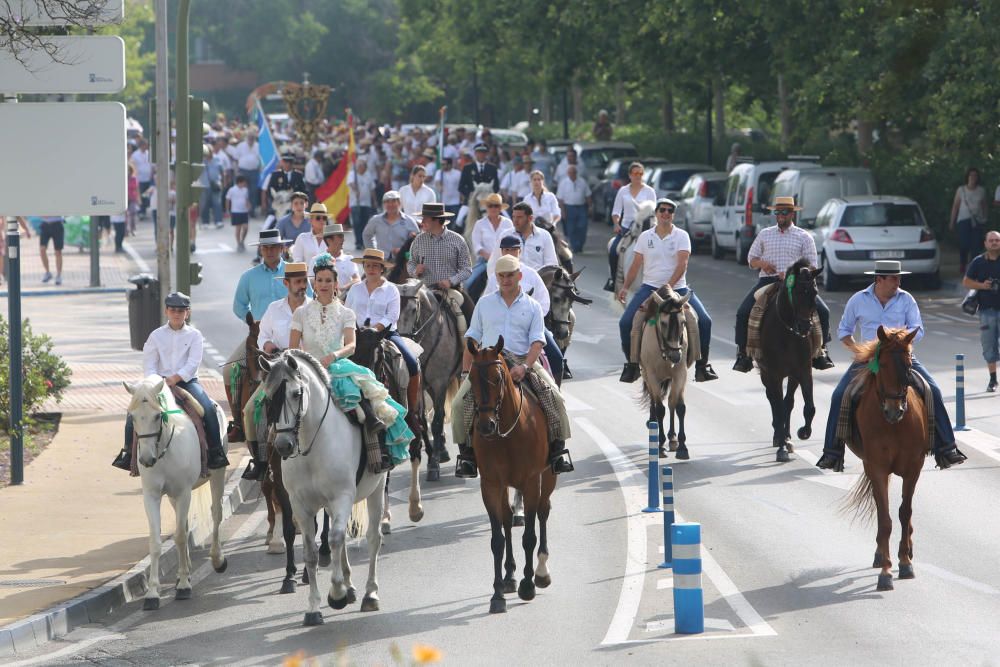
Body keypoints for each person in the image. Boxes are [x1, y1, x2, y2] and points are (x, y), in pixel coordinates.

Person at [815, 261, 967, 472]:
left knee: (933, 390)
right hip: (868, 360)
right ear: (879, 279)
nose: (898, 282)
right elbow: (844, 332)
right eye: (893, 278)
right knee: (840, 394)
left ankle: (946, 448)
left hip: (901, 357)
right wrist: (860, 352)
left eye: (899, 278)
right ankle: (832, 452)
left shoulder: (907, 299)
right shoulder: (858, 299)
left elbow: (918, 330)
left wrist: (902, 341)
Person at [451, 254, 574, 478]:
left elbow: (537, 341)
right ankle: (467, 456)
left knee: (556, 398)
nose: (506, 280)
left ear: (519, 276)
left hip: (522, 360)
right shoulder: (484, 303)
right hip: (488, 362)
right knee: (459, 405)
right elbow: (472, 338)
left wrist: (525, 367)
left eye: (510, 276)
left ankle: (558, 452)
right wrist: (466, 372)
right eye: (502, 276)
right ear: (496, 277)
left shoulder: (533, 306)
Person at [291, 253, 412, 472]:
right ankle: (267, 457)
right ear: (313, 283)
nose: (324, 284)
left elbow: (351, 345)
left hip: (339, 365)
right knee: (280, 402)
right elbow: (292, 348)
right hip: (308, 368)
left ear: (336, 284)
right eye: (320, 280)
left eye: (329, 280)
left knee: (364, 406)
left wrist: (334, 356)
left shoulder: (346, 312)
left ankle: (377, 454)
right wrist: (306, 361)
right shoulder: (301, 312)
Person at [112, 292, 230, 472]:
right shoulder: (155, 336)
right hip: (157, 385)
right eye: (173, 310)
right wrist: (156, 382)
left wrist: (174, 379)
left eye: (181, 311)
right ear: (166, 311)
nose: (177, 314)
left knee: (207, 408)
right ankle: (128, 453)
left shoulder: (195, 335)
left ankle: (216, 452)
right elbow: (149, 364)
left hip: (187, 382)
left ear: (187, 313)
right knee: (133, 413)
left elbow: (192, 364)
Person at [617, 197, 718, 383]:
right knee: (625, 323)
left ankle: (702, 366)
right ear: (656, 213)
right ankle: (631, 365)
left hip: (678, 289)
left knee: (704, 321)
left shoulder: (682, 236)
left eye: (670, 211)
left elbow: (682, 264)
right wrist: (625, 286)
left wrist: (668, 287)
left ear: (673, 215)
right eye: (662, 210)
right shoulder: (645, 236)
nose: (665, 214)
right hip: (649, 288)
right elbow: (635, 265)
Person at [732, 196, 835, 372]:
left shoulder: (804, 236)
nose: (780, 215)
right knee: (743, 312)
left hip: (796, 283)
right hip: (768, 281)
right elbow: (751, 259)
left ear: (792, 214)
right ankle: (743, 354)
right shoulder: (765, 234)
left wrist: (790, 274)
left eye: (785, 212)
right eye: (777, 212)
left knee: (824, 312)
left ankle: (821, 351)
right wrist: (763, 264)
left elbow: (812, 265)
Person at [239, 262, 311, 480]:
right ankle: (261, 462)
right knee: (250, 411)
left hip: (306, 371)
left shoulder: (314, 308)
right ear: (286, 284)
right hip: (277, 372)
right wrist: (268, 345)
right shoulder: (273, 309)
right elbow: (262, 336)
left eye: (304, 281)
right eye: (297, 282)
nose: (301, 286)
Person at [345, 248, 423, 431]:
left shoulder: (392, 290)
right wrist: (355, 331)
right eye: (368, 265)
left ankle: (412, 410)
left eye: (375, 266)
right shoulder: (355, 289)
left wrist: (375, 330)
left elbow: (392, 316)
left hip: (386, 334)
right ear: (364, 267)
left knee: (411, 362)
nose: (371, 269)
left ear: (382, 269)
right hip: (358, 335)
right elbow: (347, 313)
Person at [485, 235, 565, 385]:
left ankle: (557, 391)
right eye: (506, 250)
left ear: (519, 252)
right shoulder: (493, 277)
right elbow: (486, 305)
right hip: (499, 328)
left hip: (530, 327)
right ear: (501, 252)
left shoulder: (532, 275)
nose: (510, 253)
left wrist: (530, 320)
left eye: (514, 250)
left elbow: (544, 302)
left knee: (556, 356)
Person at [407, 202, 474, 335]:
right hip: (424, 291)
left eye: (425, 219)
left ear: (437, 220)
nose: (422, 222)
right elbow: (410, 263)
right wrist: (415, 271)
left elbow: (467, 269)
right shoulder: (418, 240)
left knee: (470, 315)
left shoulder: (457, 240)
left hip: (451, 291)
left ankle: (470, 348)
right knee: (404, 315)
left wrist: (451, 281)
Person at [606, 162, 657, 292]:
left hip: (645, 229)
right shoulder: (623, 191)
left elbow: (654, 212)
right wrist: (616, 224)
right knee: (613, 250)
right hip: (626, 229)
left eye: (641, 173)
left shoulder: (649, 191)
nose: (638, 176)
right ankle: (613, 280)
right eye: (635, 173)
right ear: (630, 175)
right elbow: (616, 212)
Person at [962, 230, 1000, 391]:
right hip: (986, 311)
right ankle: (993, 380)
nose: (994, 243)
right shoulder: (978, 262)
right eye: (991, 240)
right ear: (985, 243)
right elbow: (966, 282)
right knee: (988, 346)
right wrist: (982, 285)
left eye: (997, 240)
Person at [233, 229, 294, 322]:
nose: (269, 251)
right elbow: (239, 306)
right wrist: (253, 324)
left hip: (291, 332)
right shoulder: (248, 277)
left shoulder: (295, 272)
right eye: (265, 247)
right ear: (260, 250)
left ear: (281, 248)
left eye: (273, 247)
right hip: (261, 333)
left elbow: (308, 300)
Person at [465, 192, 514, 291]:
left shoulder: (508, 223)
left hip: (505, 260)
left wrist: (501, 257)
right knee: (469, 283)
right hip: (484, 260)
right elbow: (477, 246)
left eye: (496, 206)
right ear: (486, 208)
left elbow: (513, 243)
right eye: (490, 206)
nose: (493, 208)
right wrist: (491, 257)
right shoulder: (479, 224)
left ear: (500, 208)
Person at [362, 190, 420, 262]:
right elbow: (366, 235)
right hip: (381, 261)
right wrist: (373, 253)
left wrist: (404, 252)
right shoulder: (375, 220)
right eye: (387, 202)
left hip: (402, 262)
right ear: (383, 204)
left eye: (393, 201)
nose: (390, 204)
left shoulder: (409, 221)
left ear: (399, 203)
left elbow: (418, 243)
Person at [950, 166, 989, 274]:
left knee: (976, 246)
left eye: (975, 176)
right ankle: (963, 263)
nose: (973, 178)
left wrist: (985, 219)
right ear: (967, 177)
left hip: (977, 221)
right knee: (964, 244)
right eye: (971, 175)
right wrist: (952, 222)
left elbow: (984, 206)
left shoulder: (981, 190)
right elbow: (955, 206)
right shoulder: (961, 190)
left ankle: (973, 268)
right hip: (963, 220)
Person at [556, 164, 592, 253]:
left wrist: (590, 207)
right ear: (568, 173)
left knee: (582, 227)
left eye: (574, 172)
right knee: (571, 228)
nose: (572, 174)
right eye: (570, 173)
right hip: (569, 207)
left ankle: (580, 245)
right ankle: (575, 247)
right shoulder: (563, 183)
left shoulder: (582, 182)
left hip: (581, 207)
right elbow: (560, 198)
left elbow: (588, 195)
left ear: (576, 173)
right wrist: (562, 211)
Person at [319, 223, 361, 291]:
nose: (344, 240)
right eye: (340, 236)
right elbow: (312, 282)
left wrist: (344, 288)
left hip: (345, 299)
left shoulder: (349, 259)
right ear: (329, 240)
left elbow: (357, 279)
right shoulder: (317, 260)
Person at [230, 128, 261, 217]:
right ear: (247, 137)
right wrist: (236, 171)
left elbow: (261, 160)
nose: (251, 138)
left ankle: (252, 210)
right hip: (243, 171)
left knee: (253, 191)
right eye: (250, 136)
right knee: (241, 190)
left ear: (255, 137)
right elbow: (235, 159)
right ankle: (239, 210)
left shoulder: (258, 146)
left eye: (253, 136)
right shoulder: (240, 145)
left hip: (254, 171)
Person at [292, 202, 331, 267]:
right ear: (310, 220)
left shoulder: (333, 238)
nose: (322, 220)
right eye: (318, 218)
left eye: (324, 218)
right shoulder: (302, 238)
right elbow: (297, 261)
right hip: (307, 276)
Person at [349, 159, 377, 250]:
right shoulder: (352, 174)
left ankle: (364, 241)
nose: (361, 169)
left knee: (365, 224)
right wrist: (355, 189)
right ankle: (358, 242)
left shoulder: (368, 175)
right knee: (357, 223)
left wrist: (374, 201)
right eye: (359, 166)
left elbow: (372, 189)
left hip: (366, 203)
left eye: (363, 167)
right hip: (355, 203)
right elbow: (351, 183)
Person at [199, 141, 226, 230]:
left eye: (210, 151)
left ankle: (218, 221)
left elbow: (222, 172)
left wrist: (224, 182)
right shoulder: (201, 161)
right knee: (204, 204)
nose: (209, 153)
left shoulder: (217, 159)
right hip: (204, 185)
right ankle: (205, 222)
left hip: (216, 185)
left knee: (217, 203)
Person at [225, 174, 251, 251]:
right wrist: (227, 210)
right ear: (239, 182)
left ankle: (242, 241)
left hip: (244, 211)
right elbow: (227, 199)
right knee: (238, 228)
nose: (245, 184)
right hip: (235, 211)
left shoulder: (245, 190)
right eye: (243, 182)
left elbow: (246, 199)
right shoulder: (232, 190)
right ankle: (238, 243)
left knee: (246, 228)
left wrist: (248, 205)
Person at [38, 216, 64, 285]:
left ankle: (58, 275)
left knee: (58, 251)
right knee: (42, 249)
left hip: (57, 223)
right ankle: (47, 272)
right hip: (45, 224)